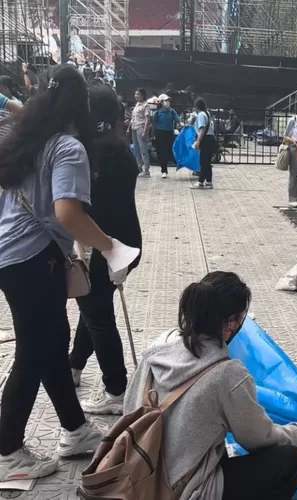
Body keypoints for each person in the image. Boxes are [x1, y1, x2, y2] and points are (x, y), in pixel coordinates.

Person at [0, 64, 139, 480]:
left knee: (53, 339)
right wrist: (111, 248)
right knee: (33, 350)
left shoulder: (19, 139)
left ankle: (75, 428)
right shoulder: (67, 147)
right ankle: (6, 451)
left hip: (10, 254)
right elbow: (67, 212)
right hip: (33, 260)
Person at [124, 271, 297, 499]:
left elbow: (129, 406)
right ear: (231, 323)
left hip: (136, 471)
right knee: (290, 461)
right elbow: (260, 440)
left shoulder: (161, 344)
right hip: (183, 490)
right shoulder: (227, 373)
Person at [69, 84, 142, 415]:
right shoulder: (116, 147)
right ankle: (75, 366)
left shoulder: (100, 153)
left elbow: (106, 210)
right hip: (118, 242)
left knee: (97, 313)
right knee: (93, 307)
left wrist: (111, 254)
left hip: (110, 245)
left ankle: (115, 389)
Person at [191, 97, 218, 189]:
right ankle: (208, 181)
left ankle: (201, 182)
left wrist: (198, 141)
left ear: (196, 107)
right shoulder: (207, 113)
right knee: (206, 162)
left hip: (206, 139)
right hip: (210, 138)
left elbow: (202, 129)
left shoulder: (201, 115)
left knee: (203, 162)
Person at [152, 94, 181, 179]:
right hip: (160, 133)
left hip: (169, 133)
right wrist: (153, 135)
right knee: (161, 151)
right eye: (166, 101)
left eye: (168, 101)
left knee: (168, 150)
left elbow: (178, 120)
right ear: (161, 102)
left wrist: (181, 124)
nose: (168, 102)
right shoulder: (157, 113)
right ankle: (163, 170)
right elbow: (154, 124)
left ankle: (168, 163)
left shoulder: (172, 112)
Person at [128, 88, 152, 177]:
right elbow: (133, 118)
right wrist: (129, 128)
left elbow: (147, 119)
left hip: (141, 128)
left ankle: (146, 170)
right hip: (134, 127)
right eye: (135, 94)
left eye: (138, 94)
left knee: (143, 150)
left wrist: (145, 131)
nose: (136, 96)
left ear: (143, 95)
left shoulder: (146, 105)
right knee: (136, 150)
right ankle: (139, 168)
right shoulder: (137, 105)